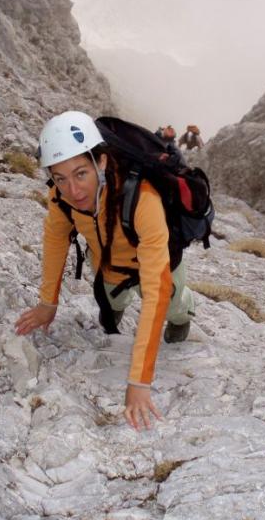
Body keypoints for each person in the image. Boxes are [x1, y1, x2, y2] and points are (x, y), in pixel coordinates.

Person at [15, 111, 195, 432]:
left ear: (100, 161)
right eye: (60, 178)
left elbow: (154, 287)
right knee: (111, 302)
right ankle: (116, 305)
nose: (73, 190)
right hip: (110, 264)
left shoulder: (142, 198)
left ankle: (182, 316)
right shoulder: (61, 198)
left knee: (171, 301)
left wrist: (139, 380)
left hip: (158, 262)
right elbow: (55, 240)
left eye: (80, 173)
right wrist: (47, 303)